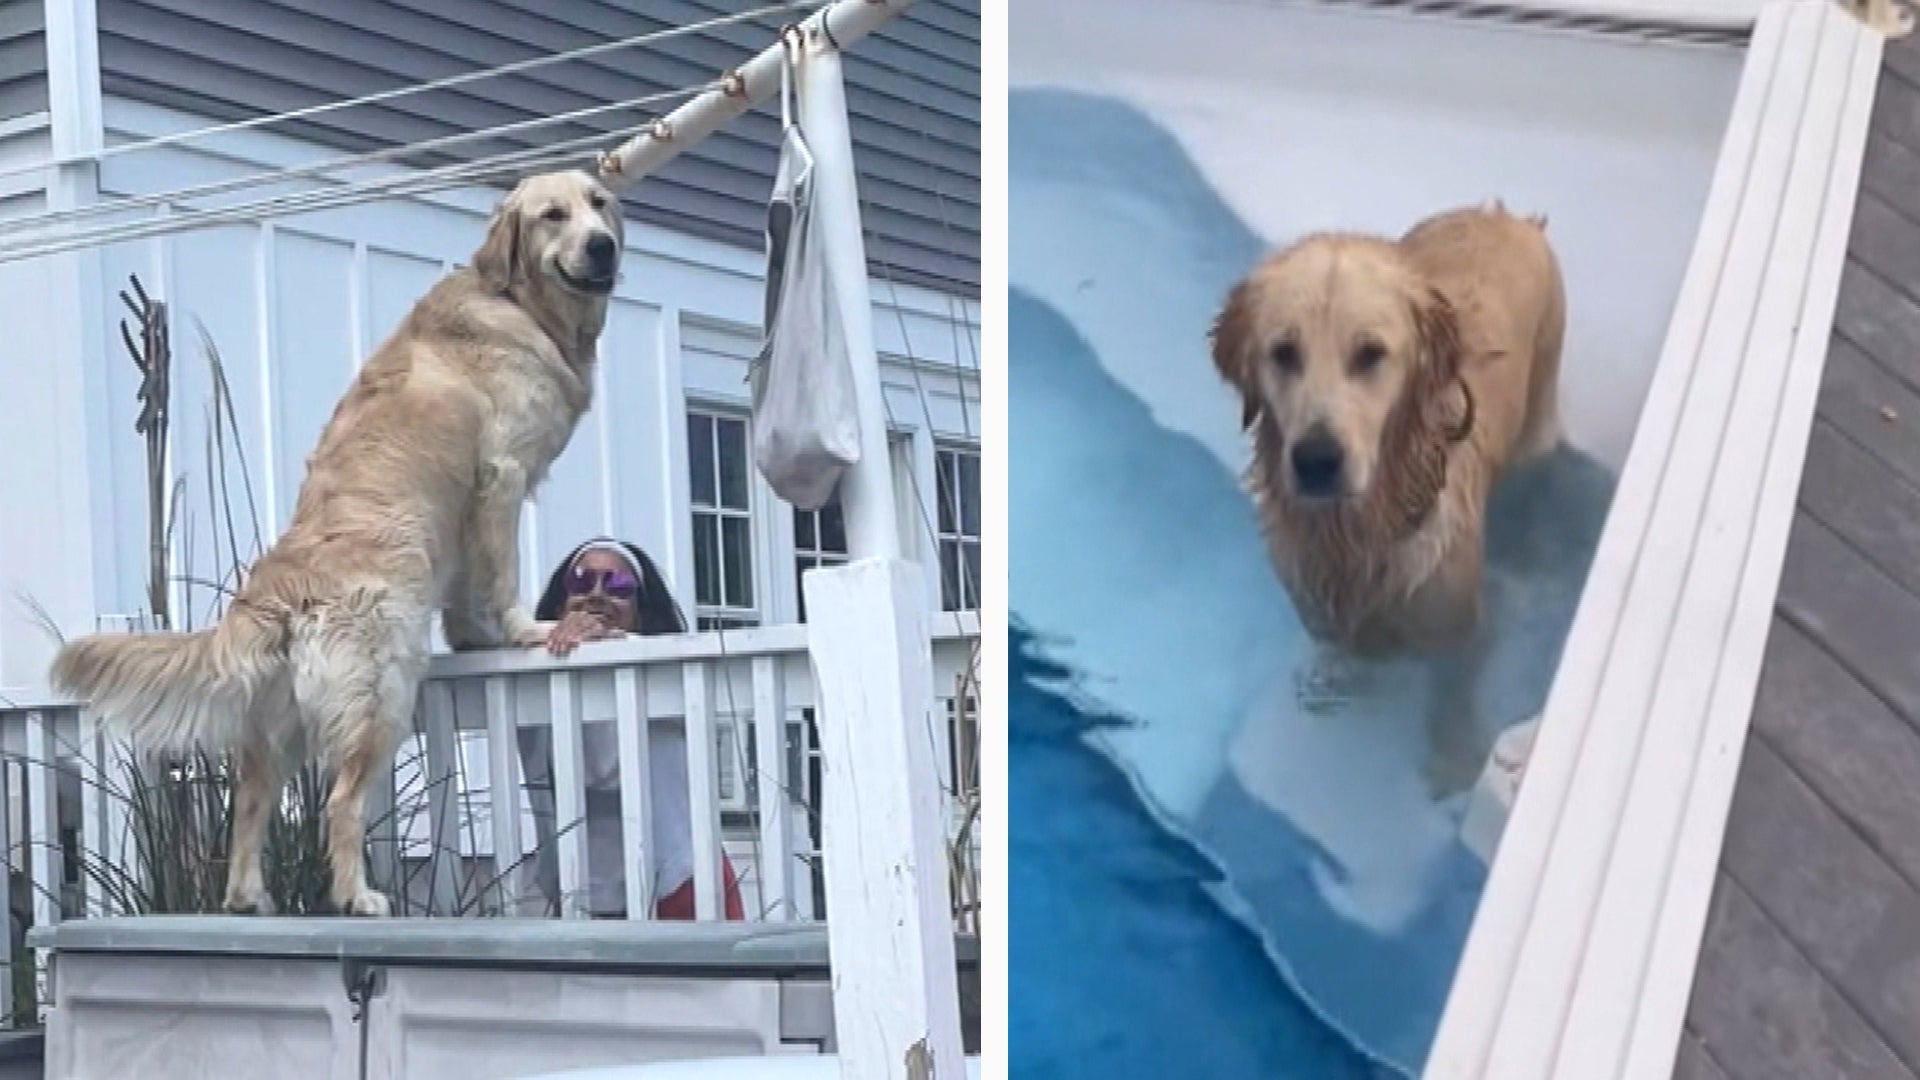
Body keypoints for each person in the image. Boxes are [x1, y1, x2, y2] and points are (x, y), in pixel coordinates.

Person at [516, 537, 746, 920]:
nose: (597, 595)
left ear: (641, 612)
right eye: (581, 582)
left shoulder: (669, 673)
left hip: (680, 880)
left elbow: (604, 774)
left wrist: (609, 644)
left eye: (618, 586)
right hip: (579, 885)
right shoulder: (534, 676)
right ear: (559, 603)